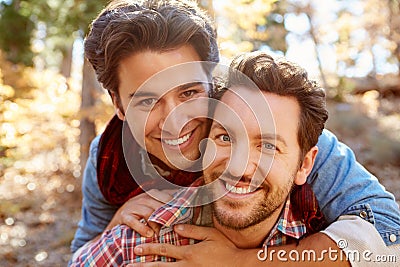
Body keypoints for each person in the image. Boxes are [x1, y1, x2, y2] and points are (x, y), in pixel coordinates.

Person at [71, 0, 400, 257]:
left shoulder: (276, 133)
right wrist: (112, 233)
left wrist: (240, 261)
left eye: (189, 92)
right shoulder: (109, 160)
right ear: (119, 105)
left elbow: (388, 229)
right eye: (147, 101)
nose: (176, 120)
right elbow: (82, 252)